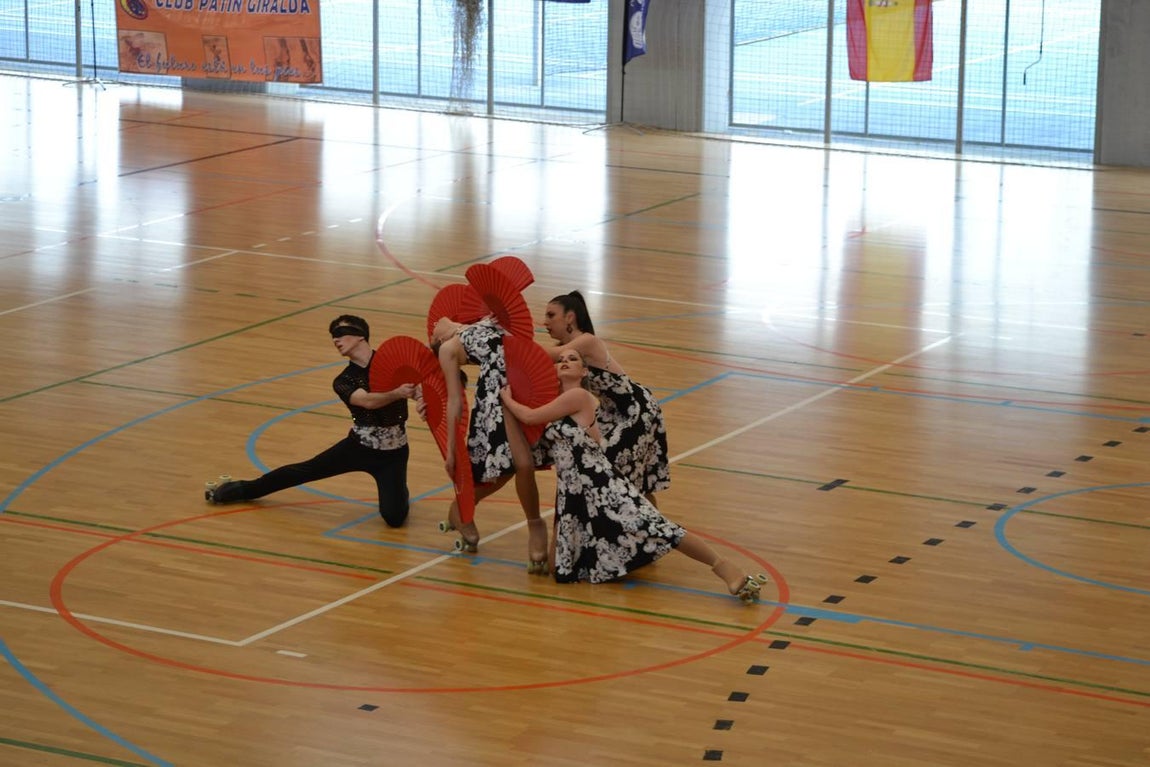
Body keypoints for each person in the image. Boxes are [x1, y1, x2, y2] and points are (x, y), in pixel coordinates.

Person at [500, 349, 766, 603]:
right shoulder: (555, 405)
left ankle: (725, 568)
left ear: (583, 371)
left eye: (573, 359)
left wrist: (506, 398)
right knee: (559, 570)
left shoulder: (578, 397)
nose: (566, 361)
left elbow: (530, 416)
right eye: (560, 360)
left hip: (602, 484)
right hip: (572, 492)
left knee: (656, 527)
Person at [203, 315, 417, 527]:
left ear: (360, 336)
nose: (336, 340)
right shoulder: (343, 380)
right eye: (333, 336)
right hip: (358, 448)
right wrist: (397, 393)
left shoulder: (392, 363)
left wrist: (421, 397)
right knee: (305, 471)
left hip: (394, 453)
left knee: (394, 518)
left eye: (340, 333)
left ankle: (399, 490)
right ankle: (243, 489)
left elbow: (418, 387)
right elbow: (367, 401)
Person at [430, 315, 549, 572]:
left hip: (524, 382)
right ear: (440, 340)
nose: (433, 328)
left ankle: (462, 506)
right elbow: (455, 402)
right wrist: (451, 448)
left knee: (507, 470)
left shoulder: (483, 317)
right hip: (496, 396)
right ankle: (535, 524)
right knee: (519, 465)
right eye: (433, 335)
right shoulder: (449, 348)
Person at [540, 290, 670, 505]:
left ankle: (654, 531)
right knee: (630, 484)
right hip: (611, 413)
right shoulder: (565, 351)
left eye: (551, 315)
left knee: (620, 479)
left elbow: (543, 355)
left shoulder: (587, 341)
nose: (544, 322)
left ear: (570, 317)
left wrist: (509, 339)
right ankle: (656, 531)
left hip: (635, 409)